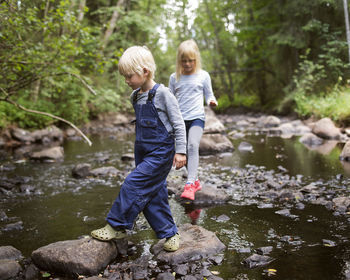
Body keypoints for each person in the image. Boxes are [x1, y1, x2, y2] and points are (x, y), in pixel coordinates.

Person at [91, 46, 187, 252]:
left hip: (162, 151)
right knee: (154, 194)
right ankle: (170, 233)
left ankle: (117, 225)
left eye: (129, 76)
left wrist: (181, 151)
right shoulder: (135, 96)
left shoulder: (163, 94)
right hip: (142, 151)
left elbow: (178, 124)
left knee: (132, 184)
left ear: (145, 72)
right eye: (124, 76)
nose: (126, 81)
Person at [169, 39, 218, 201]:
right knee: (183, 153)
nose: (188, 64)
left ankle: (190, 183)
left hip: (197, 118)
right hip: (180, 122)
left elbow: (209, 94)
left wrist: (211, 101)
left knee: (192, 145)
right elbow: (169, 99)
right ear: (179, 61)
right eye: (184, 61)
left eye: (191, 61)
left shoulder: (203, 76)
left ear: (196, 59)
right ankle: (195, 180)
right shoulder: (174, 77)